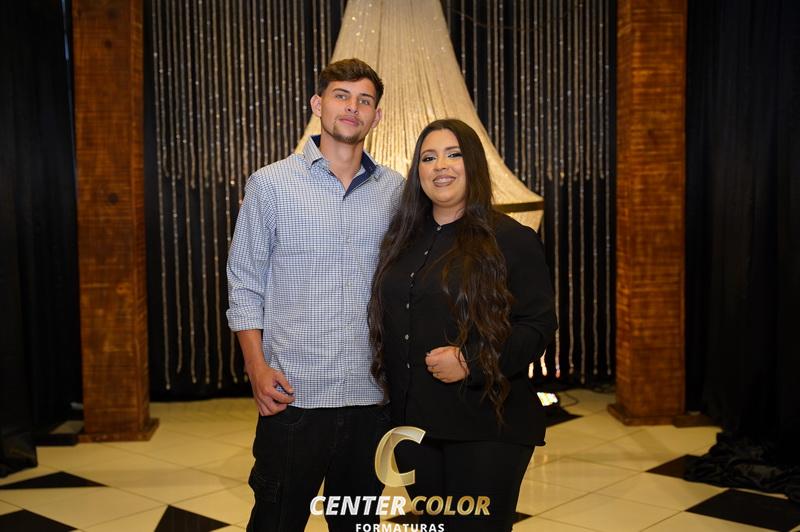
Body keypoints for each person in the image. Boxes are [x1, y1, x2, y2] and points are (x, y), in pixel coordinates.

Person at [227, 58, 404, 532]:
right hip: (294, 395)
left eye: (364, 100)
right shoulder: (270, 184)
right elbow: (244, 282)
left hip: (371, 398)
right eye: (341, 96)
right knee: (276, 522)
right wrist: (256, 367)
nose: (352, 108)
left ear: (376, 116)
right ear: (317, 104)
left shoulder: (395, 191)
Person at [368, 118, 557, 531]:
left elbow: (538, 326)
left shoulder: (511, 239)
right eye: (428, 158)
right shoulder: (402, 240)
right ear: (417, 171)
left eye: (453, 155)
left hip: (486, 425)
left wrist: (472, 361)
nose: (441, 166)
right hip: (414, 428)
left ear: (473, 163)